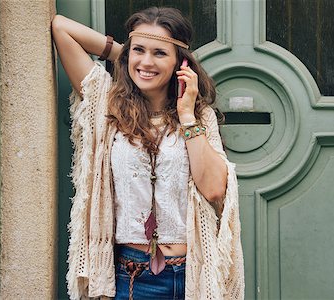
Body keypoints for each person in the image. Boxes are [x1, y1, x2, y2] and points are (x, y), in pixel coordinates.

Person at [52, 6, 244, 300]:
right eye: (140, 50)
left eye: (159, 53)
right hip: (133, 277)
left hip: (194, 275)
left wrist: (187, 116)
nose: (147, 61)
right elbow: (61, 27)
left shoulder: (198, 116)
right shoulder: (107, 105)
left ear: (180, 63)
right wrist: (126, 56)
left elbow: (215, 190)